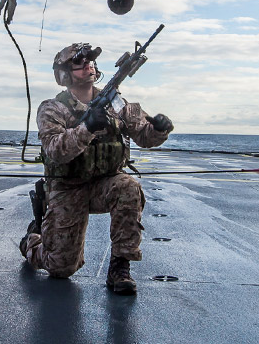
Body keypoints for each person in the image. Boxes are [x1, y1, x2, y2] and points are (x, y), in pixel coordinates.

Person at [19, 43, 173, 295]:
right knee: (61, 268)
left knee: (128, 187)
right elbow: (55, 150)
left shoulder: (116, 103)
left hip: (105, 183)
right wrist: (87, 128)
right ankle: (32, 241)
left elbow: (144, 137)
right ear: (64, 74)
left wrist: (159, 128)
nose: (87, 65)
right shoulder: (52, 108)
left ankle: (120, 268)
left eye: (89, 61)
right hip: (68, 188)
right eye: (78, 63)